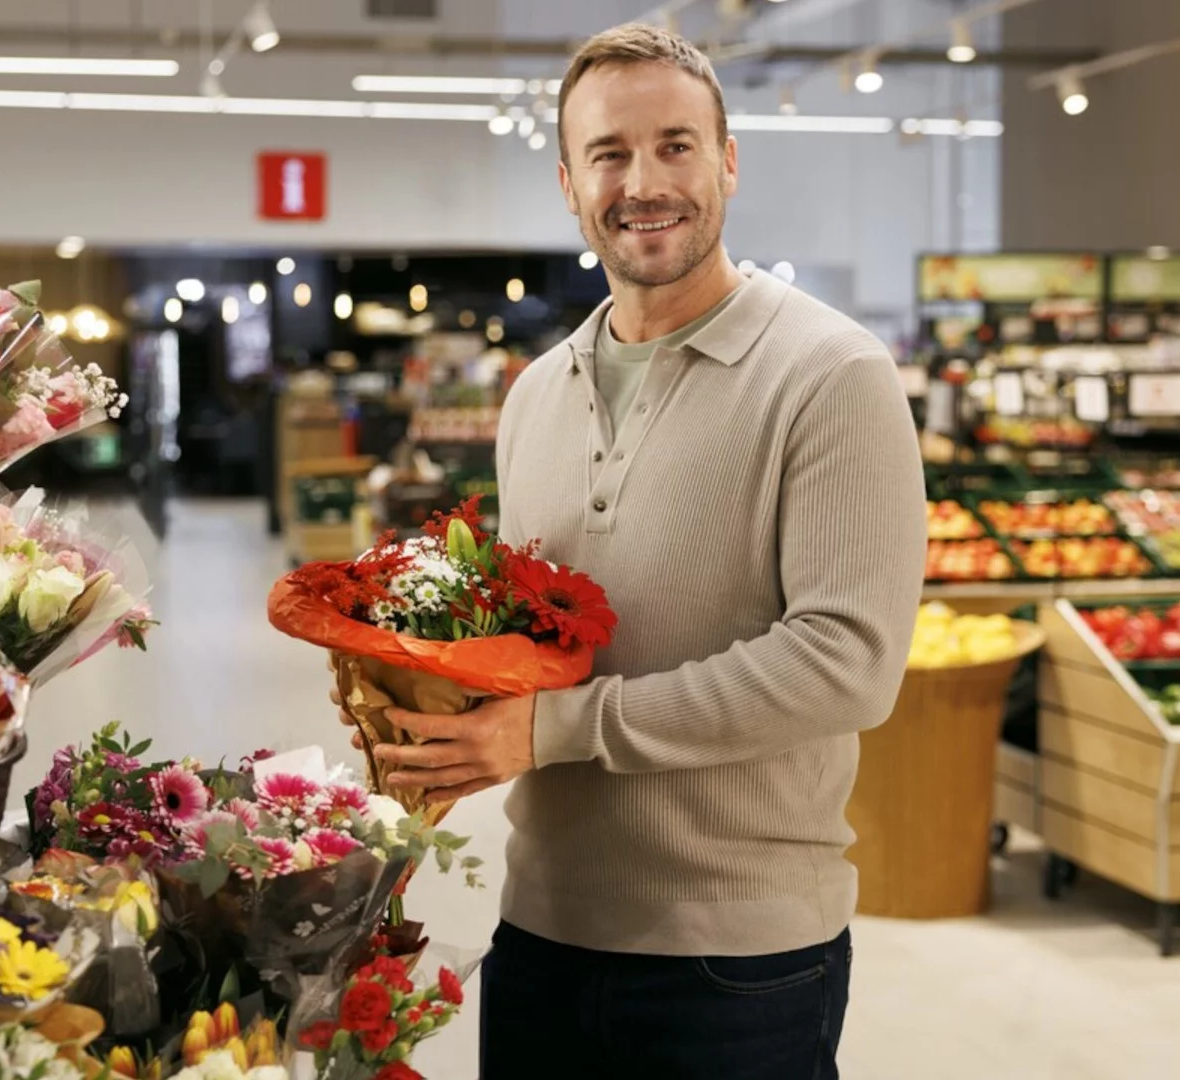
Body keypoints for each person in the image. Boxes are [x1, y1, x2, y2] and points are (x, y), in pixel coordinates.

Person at [356, 22, 925, 1079]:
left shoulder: (831, 375)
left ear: (728, 162)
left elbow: (848, 662)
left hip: (739, 961)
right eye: (609, 154)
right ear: (569, 184)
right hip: (542, 929)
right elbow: (529, 650)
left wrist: (556, 730)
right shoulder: (536, 396)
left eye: (675, 145)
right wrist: (418, 702)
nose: (644, 183)